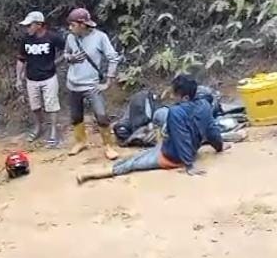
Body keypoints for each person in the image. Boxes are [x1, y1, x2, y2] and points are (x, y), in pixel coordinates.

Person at [76, 74, 232, 184]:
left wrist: (189, 166)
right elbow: (211, 129)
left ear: (184, 97)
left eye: (175, 95)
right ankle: (99, 171)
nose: (172, 97)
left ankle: (92, 175)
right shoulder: (204, 105)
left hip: (172, 156)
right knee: (138, 155)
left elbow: (181, 138)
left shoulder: (176, 112)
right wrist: (219, 146)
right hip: (181, 148)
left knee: (132, 163)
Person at [63, 8, 122, 160]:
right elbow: (65, 54)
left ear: (82, 24)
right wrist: (71, 58)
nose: (70, 28)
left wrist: (108, 81)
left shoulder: (100, 37)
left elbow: (113, 58)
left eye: (72, 25)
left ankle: (108, 146)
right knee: (76, 116)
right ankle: (81, 142)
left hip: (91, 85)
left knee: (101, 115)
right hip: (73, 84)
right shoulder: (71, 37)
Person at [15, 11, 66, 145]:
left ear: (39, 25)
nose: (27, 28)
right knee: (35, 106)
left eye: (29, 25)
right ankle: (38, 127)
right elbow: (21, 59)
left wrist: (56, 62)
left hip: (49, 77)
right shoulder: (26, 39)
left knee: (52, 106)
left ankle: (53, 130)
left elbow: (67, 50)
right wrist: (18, 78)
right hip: (31, 78)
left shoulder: (52, 37)